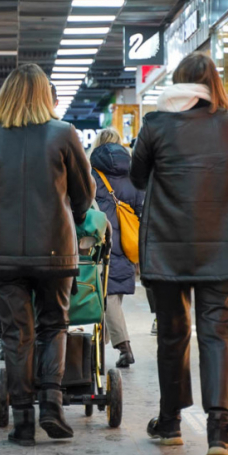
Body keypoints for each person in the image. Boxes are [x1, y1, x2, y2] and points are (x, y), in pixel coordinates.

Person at [131, 52, 228, 455]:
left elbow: (138, 177)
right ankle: (219, 433)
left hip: (169, 247)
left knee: (173, 334)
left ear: (177, 82)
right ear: (214, 84)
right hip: (224, 248)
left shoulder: (155, 125)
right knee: (217, 335)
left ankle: (171, 423)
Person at [0, 64, 94, 446]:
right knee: (53, 324)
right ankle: (51, 405)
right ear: (44, 95)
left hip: (2, 251)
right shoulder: (63, 133)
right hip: (55, 249)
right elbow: (84, 193)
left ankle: (23, 420)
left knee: (15, 332)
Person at [89, 128, 144, 368]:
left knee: (107, 298)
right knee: (112, 298)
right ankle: (99, 348)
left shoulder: (91, 174)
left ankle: (124, 347)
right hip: (128, 243)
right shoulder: (134, 173)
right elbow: (142, 207)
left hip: (101, 241)